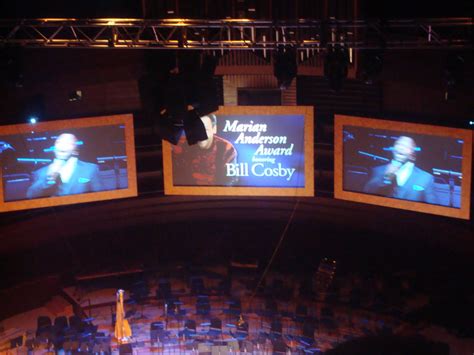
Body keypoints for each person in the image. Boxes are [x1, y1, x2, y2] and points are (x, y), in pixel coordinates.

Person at [363, 136, 437, 204]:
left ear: (413, 153)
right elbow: (364, 198)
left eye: (406, 146)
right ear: (393, 149)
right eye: (398, 144)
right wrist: (385, 179)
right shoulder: (377, 171)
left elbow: (432, 207)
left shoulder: (425, 177)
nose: (401, 148)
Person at [27, 133, 102, 198]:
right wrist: (48, 178)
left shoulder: (90, 169)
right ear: (54, 149)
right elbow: (30, 197)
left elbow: (100, 197)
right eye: (59, 142)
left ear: (75, 150)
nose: (62, 146)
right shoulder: (40, 173)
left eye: (68, 143)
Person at [172, 114, 238, 186]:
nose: (200, 134)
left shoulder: (226, 148)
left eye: (205, 129)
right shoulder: (180, 145)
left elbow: (230, 181)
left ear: (214, 129)